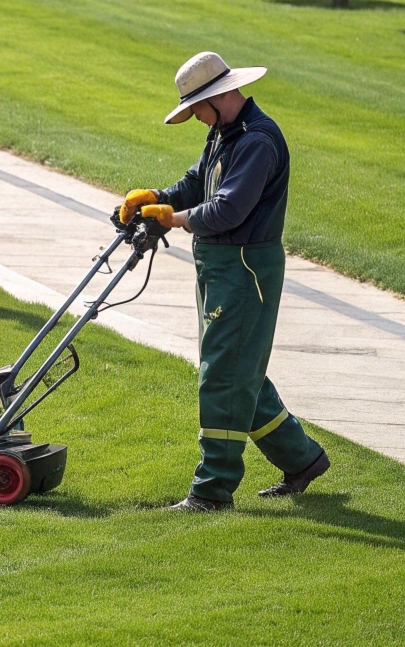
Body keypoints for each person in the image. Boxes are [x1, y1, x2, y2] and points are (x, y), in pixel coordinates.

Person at [119, 51, 329, 512]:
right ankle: (303, 459)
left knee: (222, 376)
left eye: (196, 108)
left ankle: (212, 491)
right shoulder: (224, 132)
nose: (194, 118)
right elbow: (199, 182)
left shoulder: (258, 141)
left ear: (218, 96)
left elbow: (227, 210)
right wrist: (157, 197)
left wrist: (172, 218)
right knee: (238, 369)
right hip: (219, 265)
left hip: (245, 268)